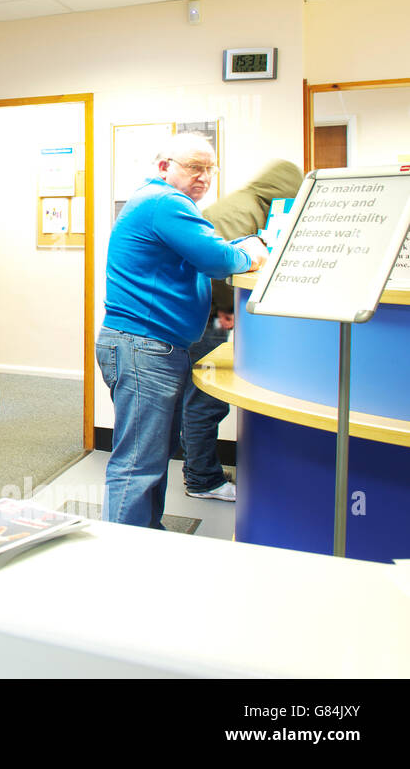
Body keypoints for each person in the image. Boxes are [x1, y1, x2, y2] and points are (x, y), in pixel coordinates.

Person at [97, 134, 268, 528]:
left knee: (152, 456)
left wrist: (239, 245)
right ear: (164, 167)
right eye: (194, 166)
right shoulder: (165, 203)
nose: (204, 176)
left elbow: (208, 249)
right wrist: (253, 252)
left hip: (149, 347)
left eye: (210, 169)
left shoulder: (164, 205)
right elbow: (218, 259)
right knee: (138, 463)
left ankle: (145, 536)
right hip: (143, 348)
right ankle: (122, 554)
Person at [180, 160, 302, 500]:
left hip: (199, 312)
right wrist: (226, 310)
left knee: (197, 398)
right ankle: (202, 479)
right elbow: (220, 266)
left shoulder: (241, 203)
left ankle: (198, 472)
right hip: (207, 314)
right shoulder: (247, 212)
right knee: (206, 399)